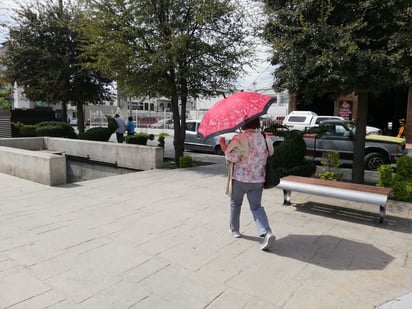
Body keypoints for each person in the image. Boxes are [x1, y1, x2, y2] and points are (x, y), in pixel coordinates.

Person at [220, 117, 276, 251]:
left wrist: (223, 145)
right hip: (258, 180)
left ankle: (235, 230)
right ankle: (266, 232)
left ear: (243, 124)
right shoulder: (264, 137)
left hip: (240, 179)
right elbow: (271, 152)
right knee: (256, 207)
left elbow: (230, 156)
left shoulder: (239, 138)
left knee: (235, 203)